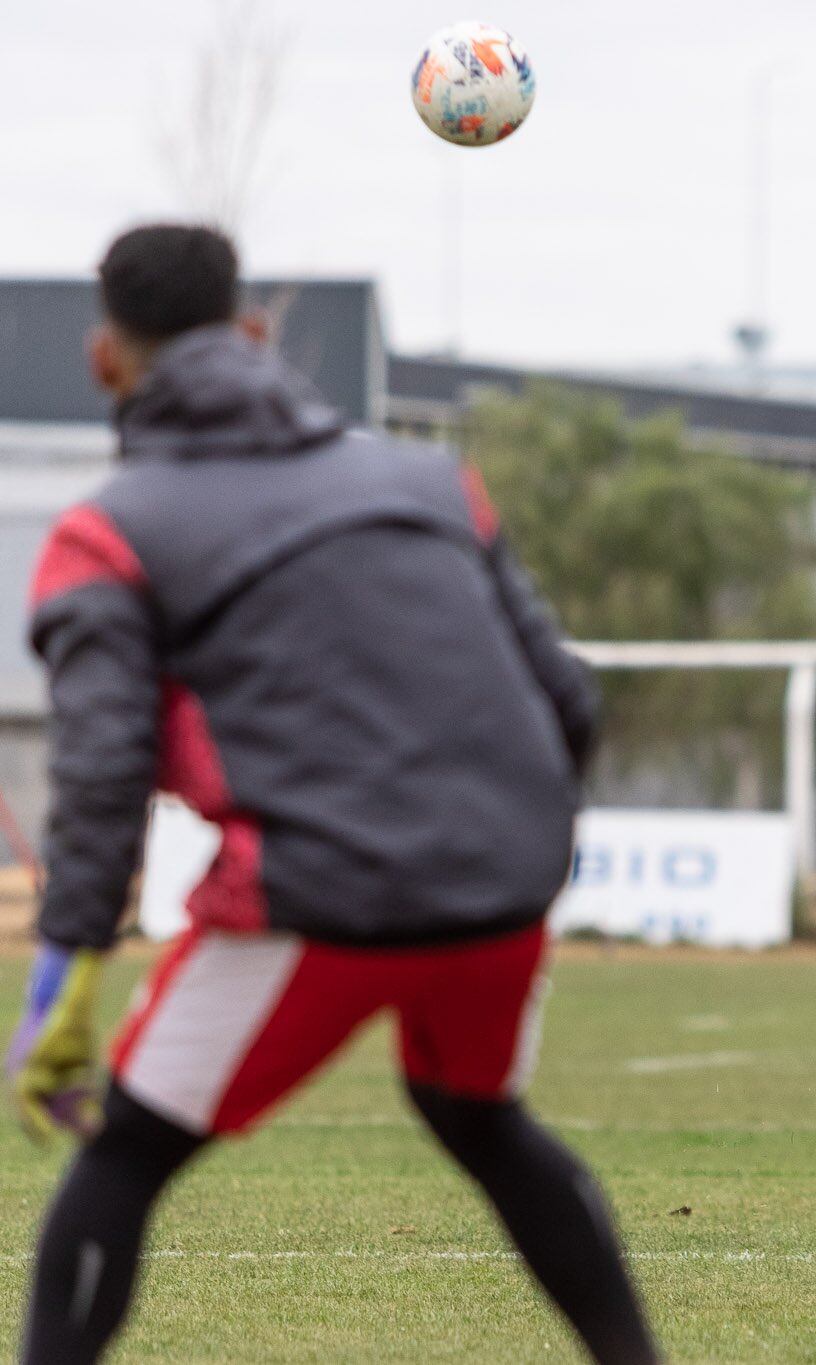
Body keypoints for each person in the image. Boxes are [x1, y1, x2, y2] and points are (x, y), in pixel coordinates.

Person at [6, 224, 661, 1364]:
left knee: (121, 1155)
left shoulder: (105, 535)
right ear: (255, 334)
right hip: (505, 882)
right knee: (478, 1119)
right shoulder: (430, 482)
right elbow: (564, 696)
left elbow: (103, 771)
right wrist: (503, 844)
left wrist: (62, 976)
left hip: (319, 896)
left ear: (106, 357)